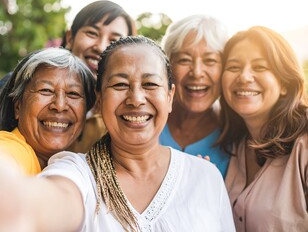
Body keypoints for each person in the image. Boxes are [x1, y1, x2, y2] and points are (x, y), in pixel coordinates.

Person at [0, 36, 235, 232]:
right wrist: (19, 201)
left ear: (170, 97)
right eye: (120, 85)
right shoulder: (78, 173)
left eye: (150, 85)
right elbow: (50, 202)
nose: (136, 99)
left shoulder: (206, 176)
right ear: (100, 99)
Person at [218, 26, 308, 231]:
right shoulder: (234, 144)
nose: (244, 77)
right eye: (233, 67)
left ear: (285, 83)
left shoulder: (304, 143)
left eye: (259, 67)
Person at [0, 47, 96, 175]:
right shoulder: (11, 150)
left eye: (73, 93)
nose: (60, 105)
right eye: (46, 90)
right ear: (18, 107)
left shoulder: (71, 168)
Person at [159, 14, 230, 177]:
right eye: (184, 60)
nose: (197, 72)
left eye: (210, 60)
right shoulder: (146, 121)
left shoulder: (237, 134)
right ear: (168, 66)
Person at [62, 0, 138, 153]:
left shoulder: (130, 111)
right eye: (92, 33)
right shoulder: (26, 86)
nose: (101, 47)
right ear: (70, 38)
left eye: (115, 40)